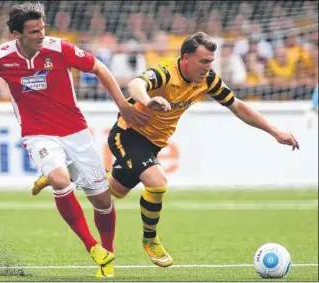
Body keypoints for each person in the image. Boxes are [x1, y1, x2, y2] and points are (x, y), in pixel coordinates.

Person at [29, 32, 300, 267]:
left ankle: (66, 174)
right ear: (186, 58)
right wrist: (148, 100)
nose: (208, 67)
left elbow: (237, 106)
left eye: (210, 62)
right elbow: (135, 85)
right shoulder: (165, 72)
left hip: (153, 144)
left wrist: (275, 132)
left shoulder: (207, 81)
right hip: (129, 134)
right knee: (157, 182)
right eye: (203, 61)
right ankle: (151, 240)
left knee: (114, 191)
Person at [0, 2, 154, 278]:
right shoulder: (0, 57)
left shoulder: (60, 49)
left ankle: (107, 258)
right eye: (34, 31)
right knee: (61, 180)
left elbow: (99, 68)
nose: (41, 35)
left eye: (42, 29)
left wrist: (122, 104)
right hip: (38, 135)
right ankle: (92, 246)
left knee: (103, 202)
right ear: (17, 35)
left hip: (76, 133)